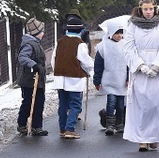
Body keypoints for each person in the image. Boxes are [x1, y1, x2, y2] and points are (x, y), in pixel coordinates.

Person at [123, 0, 159, 152]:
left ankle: (154, 137)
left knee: (156, 104)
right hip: (140, 68)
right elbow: (128, 48)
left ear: (155, 8)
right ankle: (142, 139)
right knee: (141, 105)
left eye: (151, 9)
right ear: (140, 9)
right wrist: (140, 66)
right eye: (145, 9)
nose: (148, 12)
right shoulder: (133, 26)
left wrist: (157, 66)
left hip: (158, 68)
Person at [52, 11, 94, 140]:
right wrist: (90, 71)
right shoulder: (80, 44)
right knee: (75, 104)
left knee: (63, 104)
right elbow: (85, 61)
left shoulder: (59, 42)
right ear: (80, 30)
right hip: (74, 79)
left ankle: (63, 128)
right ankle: (70, 129)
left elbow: (54, 60)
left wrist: (58, 72)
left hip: (60, 79)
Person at [93, 19, 128, 136]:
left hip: (122, 80)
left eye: (121, 33)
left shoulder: (126, 45)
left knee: (120, 104)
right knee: (111, 101)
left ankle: (120, 123)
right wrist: (97, 81)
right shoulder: (103, 47)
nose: (119, 35)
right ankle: (110, 124)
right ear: (111, 32)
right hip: (109, 79)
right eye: (117, 33)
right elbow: (98, 66)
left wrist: (128, 77)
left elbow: (129, 64)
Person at [16, 18, 48, 136]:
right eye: (42, 31)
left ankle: (36, 126)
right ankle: (22, 124)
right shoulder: (29, 44)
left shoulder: (35, 43)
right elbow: (22, 57)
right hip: (29, 80)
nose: (43, 34)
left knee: (39, 102)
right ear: (37, 33)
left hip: (37, 80)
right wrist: (34, 65)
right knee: (29, 102)